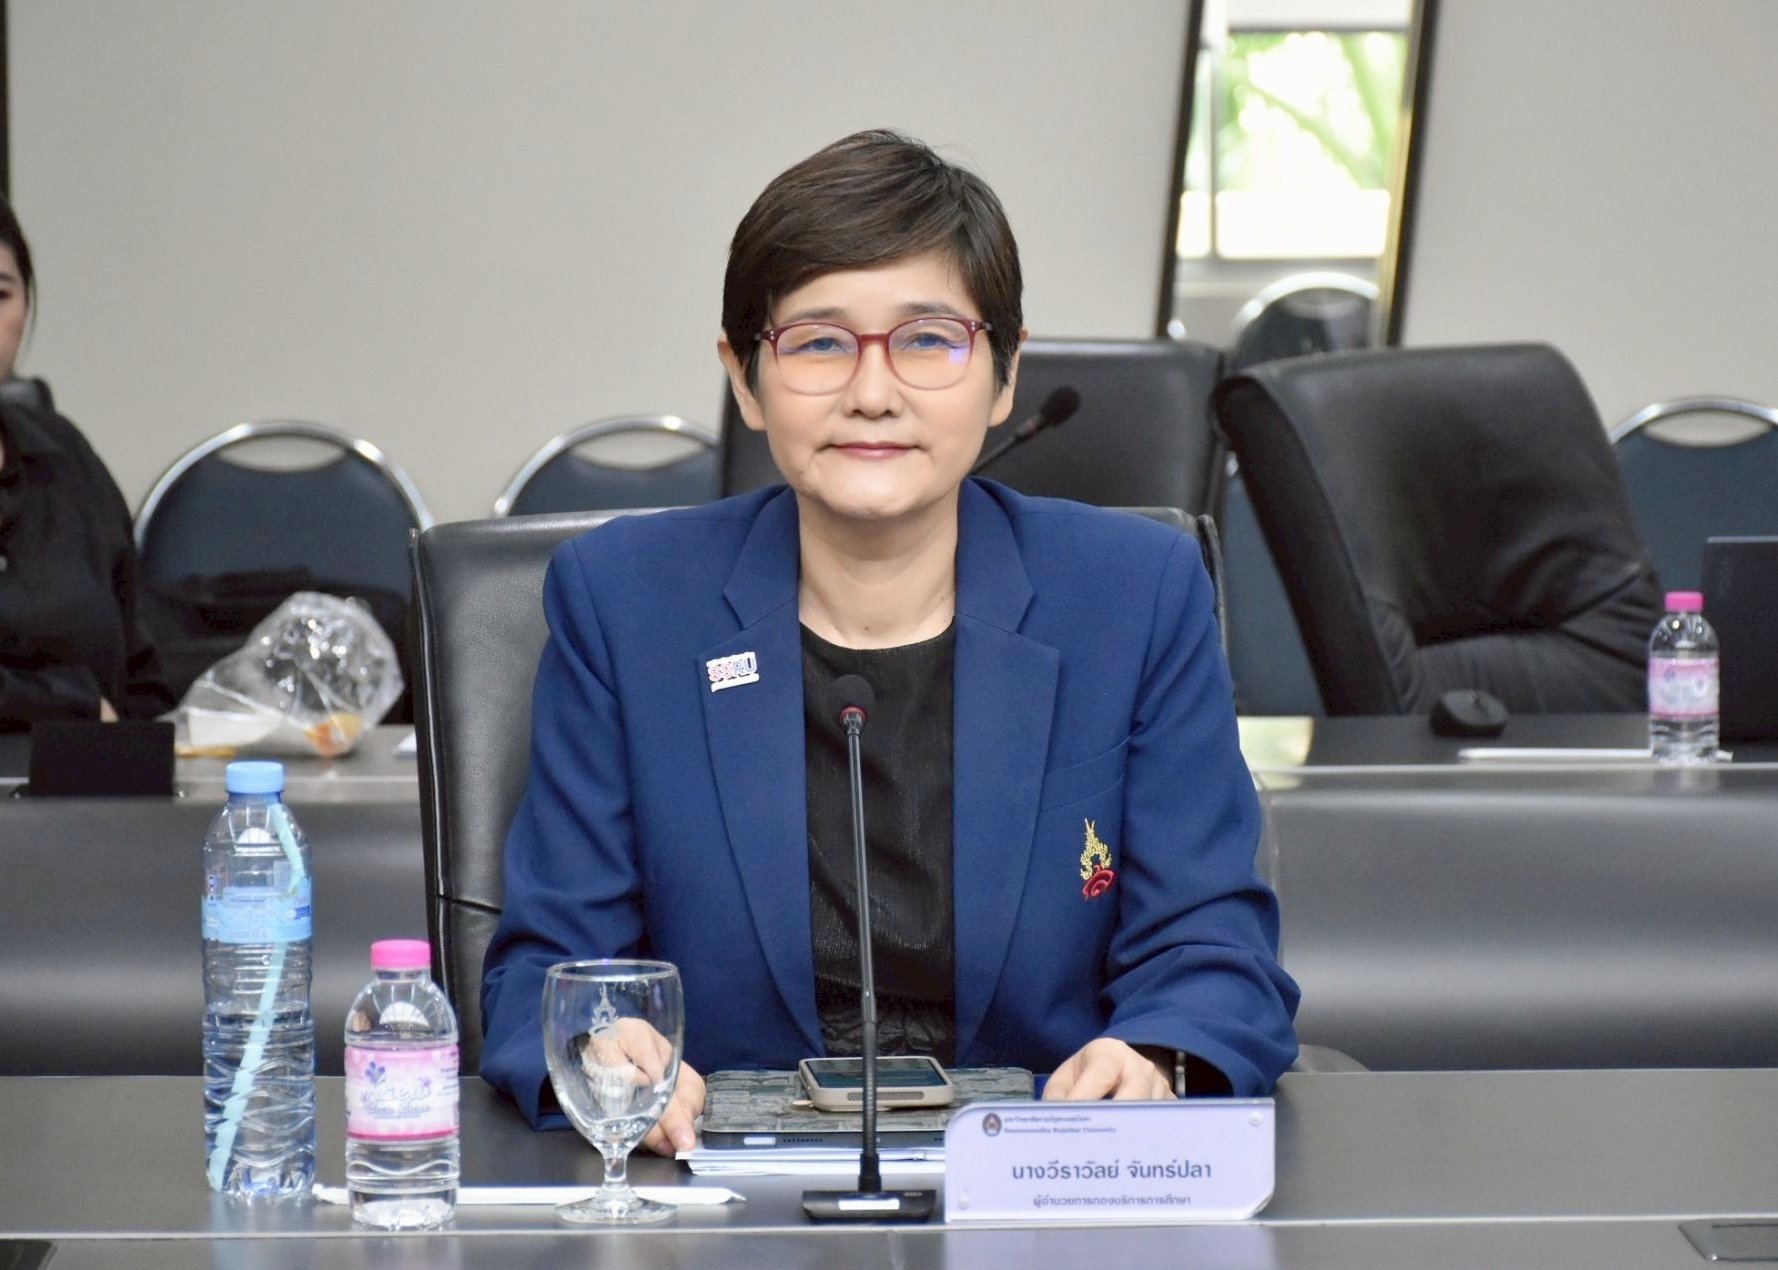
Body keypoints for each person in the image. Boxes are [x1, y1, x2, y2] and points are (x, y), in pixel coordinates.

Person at [481, 131, 1299, 1152]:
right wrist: (603, 1045)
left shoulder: (1133, 596)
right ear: (744, 378)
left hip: (1048, 1176)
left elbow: (1213, 949)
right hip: (715, 1179)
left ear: (1004, 371)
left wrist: (1156, 1055)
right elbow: (547, 967)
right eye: (819, 343)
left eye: (927, 340)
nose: (872, 392)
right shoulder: (626, 603)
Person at [0, 194, 174, 728]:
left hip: (87, 774)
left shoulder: (61, 453)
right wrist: (67, 704)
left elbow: (138, 667)